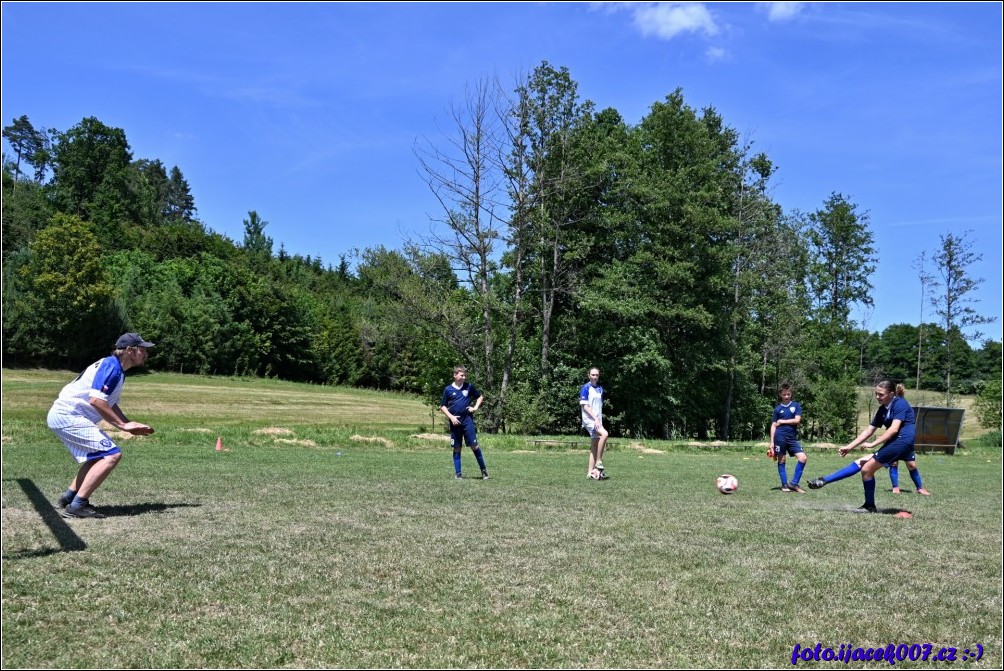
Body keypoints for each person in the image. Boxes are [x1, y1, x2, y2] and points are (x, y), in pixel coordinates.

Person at [48, 333, 156, 519]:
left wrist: (127, 423)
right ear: (129, 350)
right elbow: (97, 400)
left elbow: (109, 402)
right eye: (142, 349)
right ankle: (77, 506)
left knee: (97, 457)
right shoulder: (112, 367)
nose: (145, 353)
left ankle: (69, 498)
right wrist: (122, 425)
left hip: (64, 415)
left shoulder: (116, 369)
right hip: (68, 415)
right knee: (112, 455)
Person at [807, 381, 916, 513]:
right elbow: (868, 431)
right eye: (876, 394)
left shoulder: (899, 403)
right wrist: (849, 447)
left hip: (901, 442)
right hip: (896, 442)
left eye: (880, 394)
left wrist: (873, 444)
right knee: (861, 463)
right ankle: (823, 480)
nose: (877, 397)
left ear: (891, 394)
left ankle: (869, 506)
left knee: (867, 469)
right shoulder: (883, 409)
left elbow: (894, 429)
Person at [440, 366, 489, 479]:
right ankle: (458, 474)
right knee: (457, 448)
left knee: (474, 446)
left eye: (465, 375)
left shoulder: (469, 387)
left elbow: (480, 397)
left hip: (467, 420)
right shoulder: (448, 389)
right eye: (461, 375)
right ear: (455, 375)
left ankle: (484, 471)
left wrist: (475, 408)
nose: (464, 377)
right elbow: (443, 406)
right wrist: (451, 417)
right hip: (455, 422)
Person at [768, 382, 807, 493]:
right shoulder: (777, 409)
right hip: (779, 437)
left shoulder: (796, 406)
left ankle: (794, 484)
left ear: (791, 394)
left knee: (803, 458)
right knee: (782, 460)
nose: (786, 396)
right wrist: (771, 443)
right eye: (784, 394)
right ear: (780, 394)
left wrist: (782, 421)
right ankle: (784, 485)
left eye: (788, 394)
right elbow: (773, 425)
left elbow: (797, 420)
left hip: (792, 438)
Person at [579, 367, 608, 480]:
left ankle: (590, 472)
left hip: (597, 420)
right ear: (589, 375)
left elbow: (598, 406)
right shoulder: (585, 388)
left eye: (597, 375)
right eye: (593, 375)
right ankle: (599, 461)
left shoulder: (600, 389)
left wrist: (598, 419)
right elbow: (585, 406)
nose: (595, 377)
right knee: (604, 434)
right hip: (589, 419)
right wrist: (595, 418)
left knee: (594, 446)